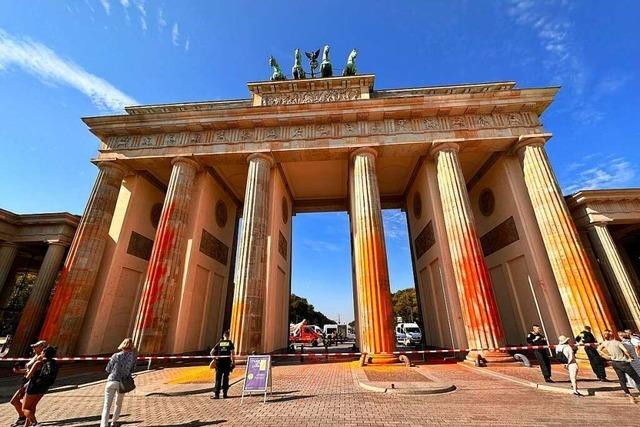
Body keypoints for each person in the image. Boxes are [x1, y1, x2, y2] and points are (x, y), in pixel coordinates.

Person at [100, 338, 137, 427]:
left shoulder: (116, 355)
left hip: (112, 381)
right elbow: (133, 369)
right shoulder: (133, 357)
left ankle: (104, 425)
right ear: (131, 346)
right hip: (123, 383)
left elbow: (108, 369)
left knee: (106, 405)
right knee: (118, 403)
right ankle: (114, 422)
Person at [9, 340, 47, 427]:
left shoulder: (40, 358)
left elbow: (36, 372)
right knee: (18, 402)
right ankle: (24, 419)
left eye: (35, 346)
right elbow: (29, 370)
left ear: (42, 347)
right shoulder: (35, 356)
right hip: (26, 380)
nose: (33, 347)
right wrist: (19, 371)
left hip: (30, 381)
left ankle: (29, 420)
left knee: (18, 402)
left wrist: (29, 380)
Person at [597, 329, 640, 401]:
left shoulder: (605, 343)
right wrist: (629, 358)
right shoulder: (617, 342)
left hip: (614, 363)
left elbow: (598, 349)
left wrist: (607, 356)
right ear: (612, 335)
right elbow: (625, 351)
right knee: (636, 378)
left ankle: (629, 395)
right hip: (623, 362)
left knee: (622, 379)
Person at [23, 346, 59, 427]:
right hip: (44, 387)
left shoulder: (38, 363)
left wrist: (27, 370)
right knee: (32, 406)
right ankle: (26, 425)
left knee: (25, 408)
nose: (41, 352)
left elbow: (28, 376)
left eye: (42, 351)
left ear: (44, 353)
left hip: (33, 387)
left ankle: (35, 423)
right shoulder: (52, 363)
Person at [210, 330, 235, 399]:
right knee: (226, 378)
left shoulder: (219, 343)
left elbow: (211, 352)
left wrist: (215, 359)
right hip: (227, 363)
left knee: (218, 378)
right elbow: (232, 353)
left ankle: (217, 394)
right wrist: (233, 362)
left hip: (219, 363)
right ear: (228, 336)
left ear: (223, 336)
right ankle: (225, 394)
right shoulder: (230, 343)